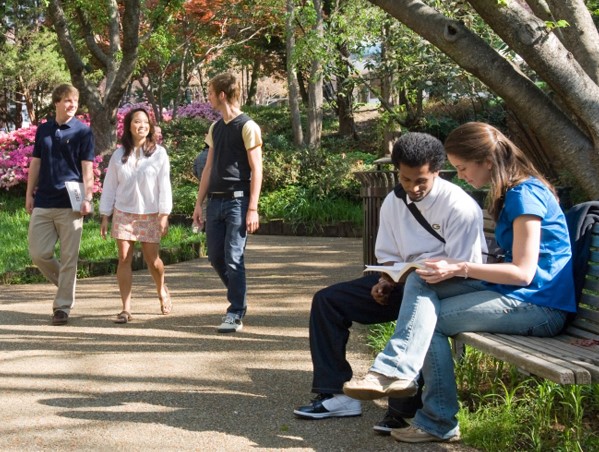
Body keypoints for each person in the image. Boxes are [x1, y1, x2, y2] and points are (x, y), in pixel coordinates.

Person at [343, 122, 576, 443]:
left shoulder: (525, 196)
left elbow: (523, 272)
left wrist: (458, 265)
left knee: (431, 321)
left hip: (540, 306)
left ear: (488, 163)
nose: (462, 176)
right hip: (517, 295)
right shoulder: (513, 192)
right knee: (421, 279)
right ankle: (394, 371)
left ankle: (434, 416)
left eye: (463, 168)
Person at [294, 132, 487, 434]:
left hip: (445, 291)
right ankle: (335, 395)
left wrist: (415, 275)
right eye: (406, 179)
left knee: (418, 299)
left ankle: (402, 413)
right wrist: (385, 280)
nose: (414, 188)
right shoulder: (393, 202)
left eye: (422, 180)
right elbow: (389, 255)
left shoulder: (459, 206)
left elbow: (466, 268)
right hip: (404, 283)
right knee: (328, 300)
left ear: (437, 171)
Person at [192, 72, 263, 333]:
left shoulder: (248, 126)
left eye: (210, 92)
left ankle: (235, 311)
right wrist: (199, 204)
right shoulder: (215, 128)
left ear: (222, 94)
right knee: (215, 257)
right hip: (215, 202)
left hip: (238, 202)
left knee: (234, 256)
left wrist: (253, 208)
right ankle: (239, 297)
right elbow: (208, 168)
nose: (208, 97)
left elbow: (257, 169)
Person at [26, 83, 95, 326]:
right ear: (56, 102)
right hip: (44, 200)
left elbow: (88, 168)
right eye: (67, 100)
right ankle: (67, 285)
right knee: (39, 253)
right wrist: (29, 194)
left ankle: (62, 307)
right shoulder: (43, 130)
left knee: (69, 258)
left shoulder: (83, 132)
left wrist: (88, 198)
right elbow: (35, 163)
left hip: (71, 204)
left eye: (74, 101)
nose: (72, 104)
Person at [99, 108, 173, 324]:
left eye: (145, 122)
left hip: (149, 214)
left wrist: (164, 214)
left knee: (153, 261)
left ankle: (161, 290)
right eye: (137, 121)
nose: (142, 125)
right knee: (124, 258)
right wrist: (105, 214)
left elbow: (164, 186)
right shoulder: (118, 155)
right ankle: (125, 308)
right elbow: (109, 186)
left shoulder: (159, 154)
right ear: (129, 126)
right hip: (123, 213)